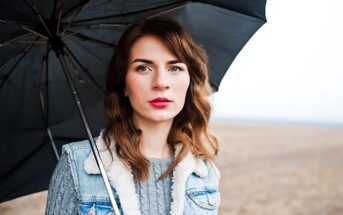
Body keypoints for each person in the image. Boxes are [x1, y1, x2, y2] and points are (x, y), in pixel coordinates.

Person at [45, 16, 220, 215]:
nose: (161, 82)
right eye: (143, 68)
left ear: (189, 81)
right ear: (124, 85)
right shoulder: (77, 166)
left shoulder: (204, 172)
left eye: (174, 68)